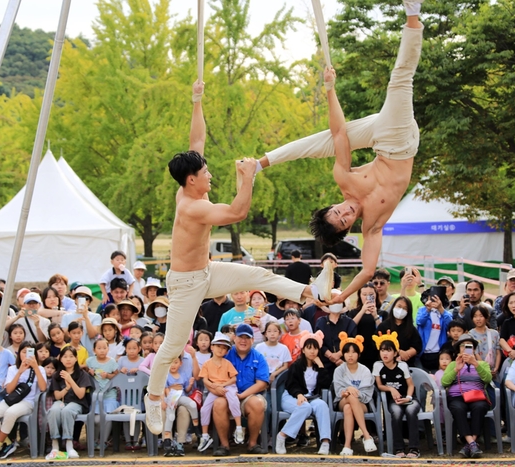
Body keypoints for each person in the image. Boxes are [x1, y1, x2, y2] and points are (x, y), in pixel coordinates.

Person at [144, 78, 334, 438]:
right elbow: (237, 212)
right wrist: (247, 177)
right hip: (185, 284)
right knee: (172, 345)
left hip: (206, 271)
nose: (210, 174)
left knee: (258, 275)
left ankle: (312, 292)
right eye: (205, 174)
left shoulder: (187, 186)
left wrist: (197, 99)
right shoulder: (194, 207)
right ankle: (153, 397)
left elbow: (195, 143)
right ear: (191, 180)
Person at [257, 4, 424, 306]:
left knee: (327, 142)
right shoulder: (373, 223)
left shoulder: (344, 178)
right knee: (400, 79)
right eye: (345, 221)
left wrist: (330, 88)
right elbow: (368, 270)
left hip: (377, 137)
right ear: (349, 229)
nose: (346, 213)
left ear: (333, 205)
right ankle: (413, 15)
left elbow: (338, 134)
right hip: (399, 143)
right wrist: (341, 296)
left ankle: (261, 162)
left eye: (338, 211)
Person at [211, 324, 269, 456]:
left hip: (248, 396)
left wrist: (242, 396)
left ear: (253, 340)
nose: (243, 341)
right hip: (226, 395)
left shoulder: (259, 357)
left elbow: (262, 383)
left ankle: (253, 444)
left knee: (257, 403)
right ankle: (224, 445)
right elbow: (211, 375)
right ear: (234, 338)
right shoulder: (225, 354)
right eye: (240, 337)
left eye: (247, 338)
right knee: (218, 404)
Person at [0, 341, 47, 460]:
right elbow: (8, 390)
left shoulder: (40, 369)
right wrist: (20, 372)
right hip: (11, 400)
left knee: (10, 413)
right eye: (24, 352)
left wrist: (35, 367)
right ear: (19, 354)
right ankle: (8, 442)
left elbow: (43, 388)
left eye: (30, 352)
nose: (26, 355)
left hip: (28, 402)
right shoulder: (13, 369)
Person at [274, 330, 332, 456]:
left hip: (312, 398)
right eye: (309, 348)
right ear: (303, 349)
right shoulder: (296, 366)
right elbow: (291, 384)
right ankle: (282, 436)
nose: (312, 351)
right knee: (304, 406)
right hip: (292, 396)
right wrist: (299, 394)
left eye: (315, 348)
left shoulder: (319, 366)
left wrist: (321, 366)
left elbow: (325, 384)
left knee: (322, 406)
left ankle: (325, 442)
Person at [441, 334, 492, 458]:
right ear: (459, 349)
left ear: (473, 349)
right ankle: (472, 443)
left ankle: (470, 444)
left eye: (468, 346)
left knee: (479, 407)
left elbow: (488, 379)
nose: (465, 348)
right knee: (458, 408)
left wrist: (475, 364)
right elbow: (444, 382)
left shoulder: (482, 364)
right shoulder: (453, 364)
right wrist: (456, 369)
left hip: (477, 395)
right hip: (457, 396)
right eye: (462, 346)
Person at [372, 334, 420, 458]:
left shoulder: (402, 365)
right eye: (382, 350)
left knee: (411, 410)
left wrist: (409, 398)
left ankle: (414, 448)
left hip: (409, 398)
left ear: (395, 353)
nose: (385, 354)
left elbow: (410, 385)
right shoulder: (377, 366)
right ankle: (399, 448)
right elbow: (379, 385)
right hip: (394, 400)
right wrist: (391, 389)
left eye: (388, 350)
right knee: (396, 413)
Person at [45, 347, 95, 460]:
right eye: (65, 356)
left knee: (67, 411)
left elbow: (81, 395)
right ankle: (55, 445)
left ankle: (69, 444)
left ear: (76, 359)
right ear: (61, 359)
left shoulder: (82, 375)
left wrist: (70, 380)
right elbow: (57, 396)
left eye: (71, 356)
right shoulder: (57, 375)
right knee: (53, 410)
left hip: (77, 403)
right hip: (61, 401)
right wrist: (66, 388)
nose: (68, 359)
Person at [333, 333, 377, 456]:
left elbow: (367, 393)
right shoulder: (339, 370)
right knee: (348, 401)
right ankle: (367, 436)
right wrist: (347, 390)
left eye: (353, 352)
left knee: (349, 407)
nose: (350, 355)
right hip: (342, 400)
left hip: (361, 403)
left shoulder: (365, 370)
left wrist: (353, 393)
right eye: (347, 352)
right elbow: (338, 390)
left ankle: (347, 446)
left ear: (359, 354)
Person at [197, 332, 241, 452]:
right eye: (218, 346)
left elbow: (233, 378)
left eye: (224, 348)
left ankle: (238, 428)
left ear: (226, 351)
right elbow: (205, 379)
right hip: (215, 389)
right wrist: (214, 386)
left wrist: (223, 385)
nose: (221, 350)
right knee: (204, 409)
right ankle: (205, 436)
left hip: (228, 387)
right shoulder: (207, 363)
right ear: (212, 347)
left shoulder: (227, 363)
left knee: (233, 400)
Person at [316, 289, 356, 375]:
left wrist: (339, 355)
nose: (335, 304)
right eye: (333, 301)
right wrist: (330, 355)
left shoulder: (349, 322)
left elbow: (352, 341)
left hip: (345, 362)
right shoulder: (321, 321)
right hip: (325, 363)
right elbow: (318, 342)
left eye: (338, 301)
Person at [347, 284, 383, 370]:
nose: (368, 297)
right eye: (364, 294)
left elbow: (383, 331)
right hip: (358, 352)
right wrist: (363, 310)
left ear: (376, 295)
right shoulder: (353, 313)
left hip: (376, 352)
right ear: (360, 296)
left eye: (371, 294)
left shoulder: (382, 313)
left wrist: (375, 315)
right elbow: (350, 327)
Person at [377, 297, 422, 366]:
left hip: (406, 364)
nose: (401, 310)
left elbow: (417, 346)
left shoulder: (411, 328)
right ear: (393, 307)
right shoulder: (384, 326)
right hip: (386, 364)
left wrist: (407, 353)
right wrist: (398, 352)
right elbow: (377, 343)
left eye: (405, 308)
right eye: (399, 306)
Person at [60, 286, 101, 358]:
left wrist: (86, 316)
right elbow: (65, 337)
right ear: (75, 299)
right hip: (71, 356)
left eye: (86, 298)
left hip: (90, 355)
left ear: (89, 301)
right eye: (79, 297)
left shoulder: (96, 316)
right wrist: (72, 324)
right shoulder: (66, 316)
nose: (83, 300)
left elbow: (92, 335)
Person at [416, 293, 453, 372]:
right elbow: (419, 322)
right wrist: (427, 310)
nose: (434, 300)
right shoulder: (422, 310)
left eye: (437, 298)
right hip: (423, 352)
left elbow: (451, 325)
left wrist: (441, 309)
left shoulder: (445, 313)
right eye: (432, 298)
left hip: (438, 353)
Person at [468, 306, 501, 380]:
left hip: (493, 371)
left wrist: (496, 368)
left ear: (486, 317)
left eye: (481, 316)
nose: (478, 319)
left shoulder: (494, 333)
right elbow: (474, 353)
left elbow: (498, 352)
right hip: (478, 371)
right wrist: (485, 369)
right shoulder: (470, 334)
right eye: (475, 316)